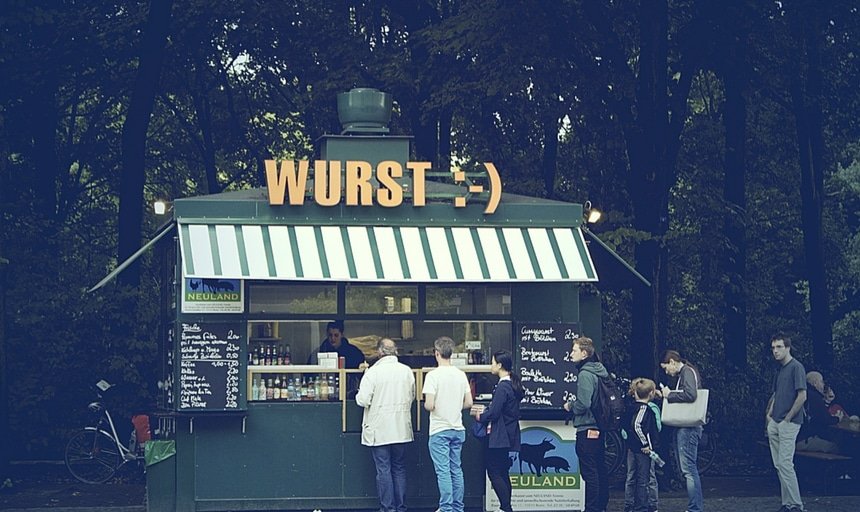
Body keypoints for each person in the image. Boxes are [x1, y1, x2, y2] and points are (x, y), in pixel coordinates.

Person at [355, 338, 416, 512]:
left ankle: (387, 508)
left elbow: (363, 400)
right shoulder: (406, 371)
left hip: (379, 428)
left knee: (383, 469)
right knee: (399, 467)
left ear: (380, 352)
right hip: (401, 427)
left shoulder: (373, 372)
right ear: (395, 351)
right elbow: (411, 396)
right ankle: (401, 507)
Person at [422, 336, 473, 512]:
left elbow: (429, 404)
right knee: (456, 470)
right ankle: (458, 507)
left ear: (436, 353)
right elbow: (469, 403)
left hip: (439, 430)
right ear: (451, 353)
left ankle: (446, 508)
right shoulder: (460, 374)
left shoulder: (432, 376)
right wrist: (454, 405)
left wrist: (436, 404)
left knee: (443, 471)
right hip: (458, 429)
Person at [471, 350, 522, 512]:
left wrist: (480, 416)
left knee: (494, 471)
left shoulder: (502, 387)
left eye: (493, 362)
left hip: (499, 436)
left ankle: (506, 508)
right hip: (509, 435)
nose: (491, 366)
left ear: (500, 365)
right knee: (503, 471)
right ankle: (506, 507)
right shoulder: (512, 385)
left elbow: (494, 413)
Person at [563, 336, 609, 512]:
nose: (570, 354)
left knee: (590, 473)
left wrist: (570, 405)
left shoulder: (585, 374)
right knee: (599, 469)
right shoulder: (599, 370)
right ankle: (601, 506)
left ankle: (592, 508)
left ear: (584, 353)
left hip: (586, 427)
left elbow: (584, 403)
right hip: (599, 426)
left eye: (573, 350)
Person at [657, 350, 703, 512]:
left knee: (688, 469)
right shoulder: (687, 372)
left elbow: (691, 395)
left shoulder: (686, 372)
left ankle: (695, 508)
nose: (666, 371)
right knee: (688, 468)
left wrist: (670, 395)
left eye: (666, 368)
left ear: (672, 362)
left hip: (688, 428)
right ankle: (694, 506)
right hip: (687, 427)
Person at [766, 334, 807, 512]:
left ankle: (796, 505)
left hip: (788, 422)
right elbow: (776, 394)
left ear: (788, 348)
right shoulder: (781, 369)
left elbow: (802, 395)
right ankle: (787, 503)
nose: (775, 351)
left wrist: (788, 418)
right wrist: (769, 414)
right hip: (775, 421)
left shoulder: (796, 367)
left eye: (779, 347)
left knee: (785, 463)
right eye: (773, 348)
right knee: (779, 464)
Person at [624, 378, 662, 512]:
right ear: (651, 393)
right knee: (643, 479)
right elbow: (637, 425)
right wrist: (645, 443)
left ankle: (629, 504)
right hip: (642, 450)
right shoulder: (644, 409)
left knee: (631, 476)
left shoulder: (629, 407)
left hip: (631, 447)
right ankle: (642, 506)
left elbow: (625, 426)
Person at [796, 371, 839, 454]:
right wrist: (838, 418)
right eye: (822, 381)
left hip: (793, 437)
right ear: (815, 383)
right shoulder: (814, 397)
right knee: (834, 447)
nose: (823, 385)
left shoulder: (801, 392)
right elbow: (825, 420)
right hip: (803, 440)